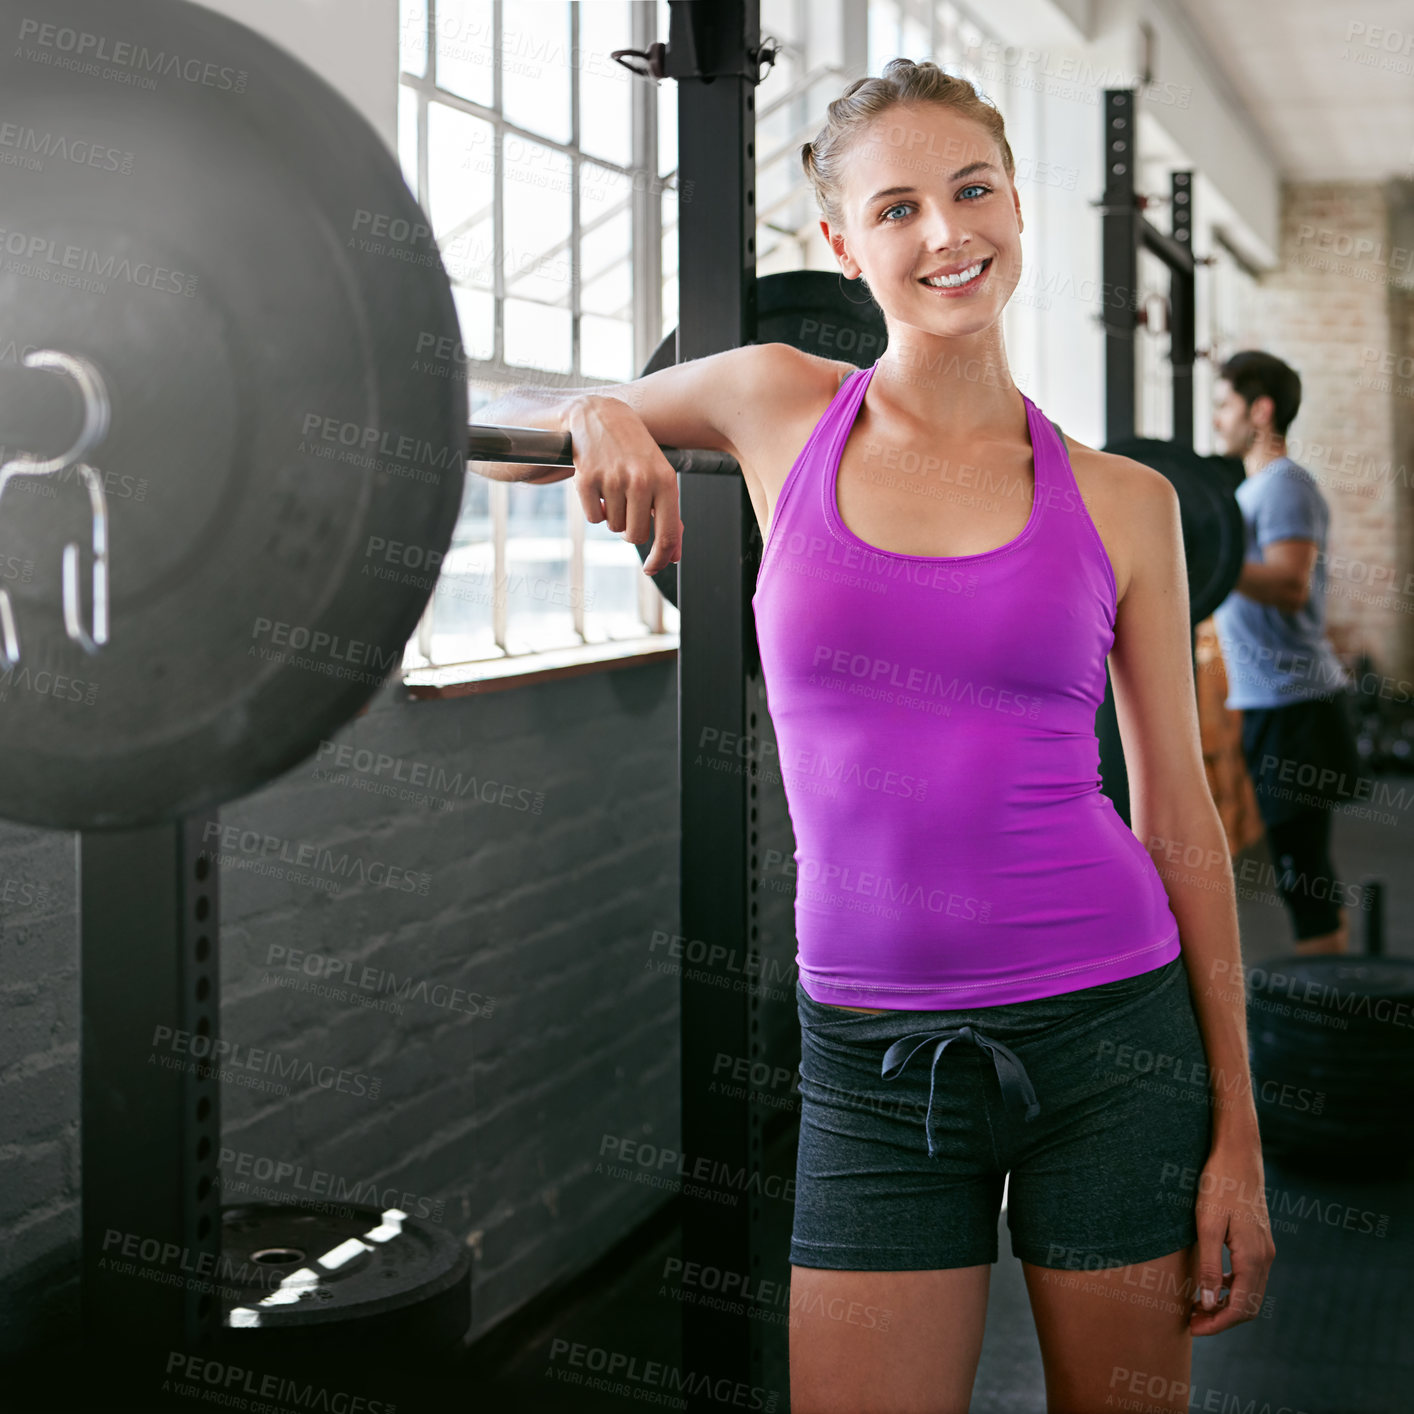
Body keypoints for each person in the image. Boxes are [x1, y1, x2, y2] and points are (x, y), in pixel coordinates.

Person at [470, 57, 1274, 1414]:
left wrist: (1238, 1138)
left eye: (970, 191)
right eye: (896, 207)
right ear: (840, 244)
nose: (945, 233)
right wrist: (600, 407)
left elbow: (1177, 818)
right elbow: (501, 443)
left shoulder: (1123, 501)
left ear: (1016, 204)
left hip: (1111, 1035)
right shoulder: (776, 402)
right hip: (865, 1055)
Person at [1210, 351, 1361, 956]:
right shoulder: (1256, 487)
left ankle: (1329, 1024)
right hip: (1274, 699)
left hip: (1296, 704)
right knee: (1299, 864)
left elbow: (1290, 584)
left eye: (1224, 405)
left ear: (1260, 410)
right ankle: (1331, 1003)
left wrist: (1210, 561)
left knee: (1302, 869)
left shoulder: (1284, 485)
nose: (1217, 419)